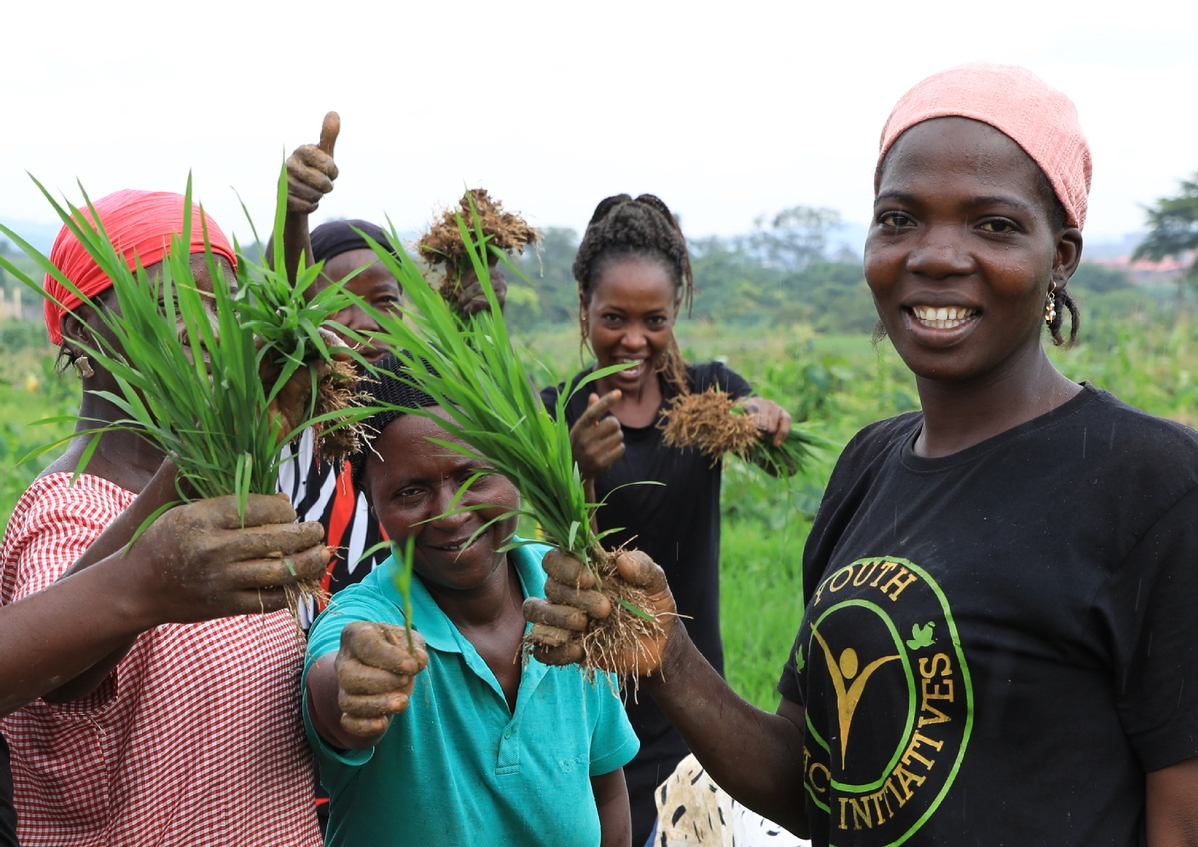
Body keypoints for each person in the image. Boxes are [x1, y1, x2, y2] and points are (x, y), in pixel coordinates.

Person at [526, 64, 1198, 846]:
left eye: (994, 225)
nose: (936, 255)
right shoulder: (869, 466)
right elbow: (818, 783)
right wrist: (669, 656)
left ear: (1063, 256)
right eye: (900, 218)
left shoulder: (1152, 485)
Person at [0, 189, 330, 846]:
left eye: (225, 307)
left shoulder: (217, 495)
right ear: (82, 336)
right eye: (171, 305)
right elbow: (62, 671)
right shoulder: (68, 514)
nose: (206, 327)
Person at [302, 355, 639, 846]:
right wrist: (356, 685)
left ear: (516, 467)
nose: (451, 514)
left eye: (473, 476)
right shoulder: (365, 618)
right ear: (372, 502)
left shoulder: (568, 591)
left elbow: (605, 786)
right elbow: (334, 693)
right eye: (410, 492)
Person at [538, 193, 792, 844]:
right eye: (613, 317)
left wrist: (765, 420)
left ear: (675, 311)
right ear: (583, 311)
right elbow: (566, 558)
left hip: (693, 687)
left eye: (654, 318)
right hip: (592, 694)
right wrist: (578, 469)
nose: (633, 338)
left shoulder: (706, 395)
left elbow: (781, 464)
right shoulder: (556, 410)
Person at [276, 113, 508, 628]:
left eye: (384, 302)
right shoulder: (295, 421)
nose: (365, 324)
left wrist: (474, 319)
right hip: (302, 665)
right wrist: (293, 215)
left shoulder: (422, 417)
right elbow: (286, 305)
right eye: (338, 303)